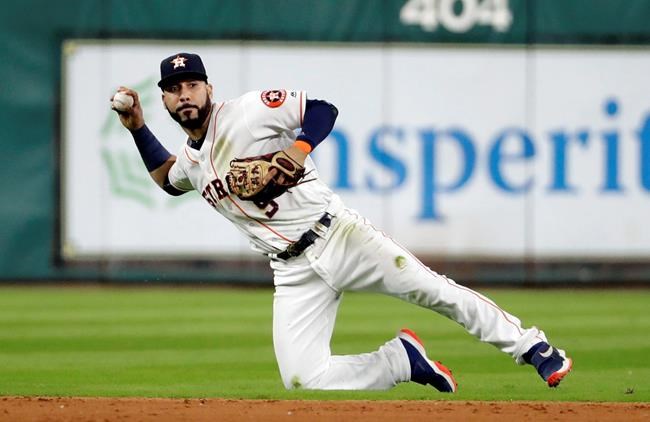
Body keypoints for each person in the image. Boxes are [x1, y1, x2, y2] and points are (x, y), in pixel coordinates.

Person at [112, 52, 572, 392]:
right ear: (166, 101)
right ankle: (400, 362)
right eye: (174, 89)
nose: (184, 94)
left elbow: (322, 109)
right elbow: (168, 179)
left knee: (434, 291)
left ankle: (534, 347)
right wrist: (136, 126)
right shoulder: (192, 162)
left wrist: (298, 148)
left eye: (192, 84)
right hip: (290, 270)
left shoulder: (249, 111)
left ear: (209, 88)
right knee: (302, 377)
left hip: (339, 235)